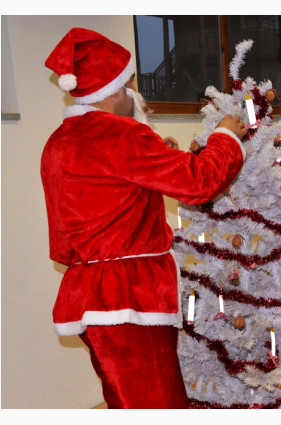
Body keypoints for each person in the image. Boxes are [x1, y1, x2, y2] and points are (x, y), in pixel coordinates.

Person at [40, 28, 248, 408]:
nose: (138, 93)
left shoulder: (59, 141)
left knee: (124, 399)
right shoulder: (119, 134)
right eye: (133, 84)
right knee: (157, 404)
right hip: (128, 301)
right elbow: (200, 183)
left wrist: (154, 165)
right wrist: (225, 137)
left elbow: (93, 209)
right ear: (117, 89)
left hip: (92, 298)